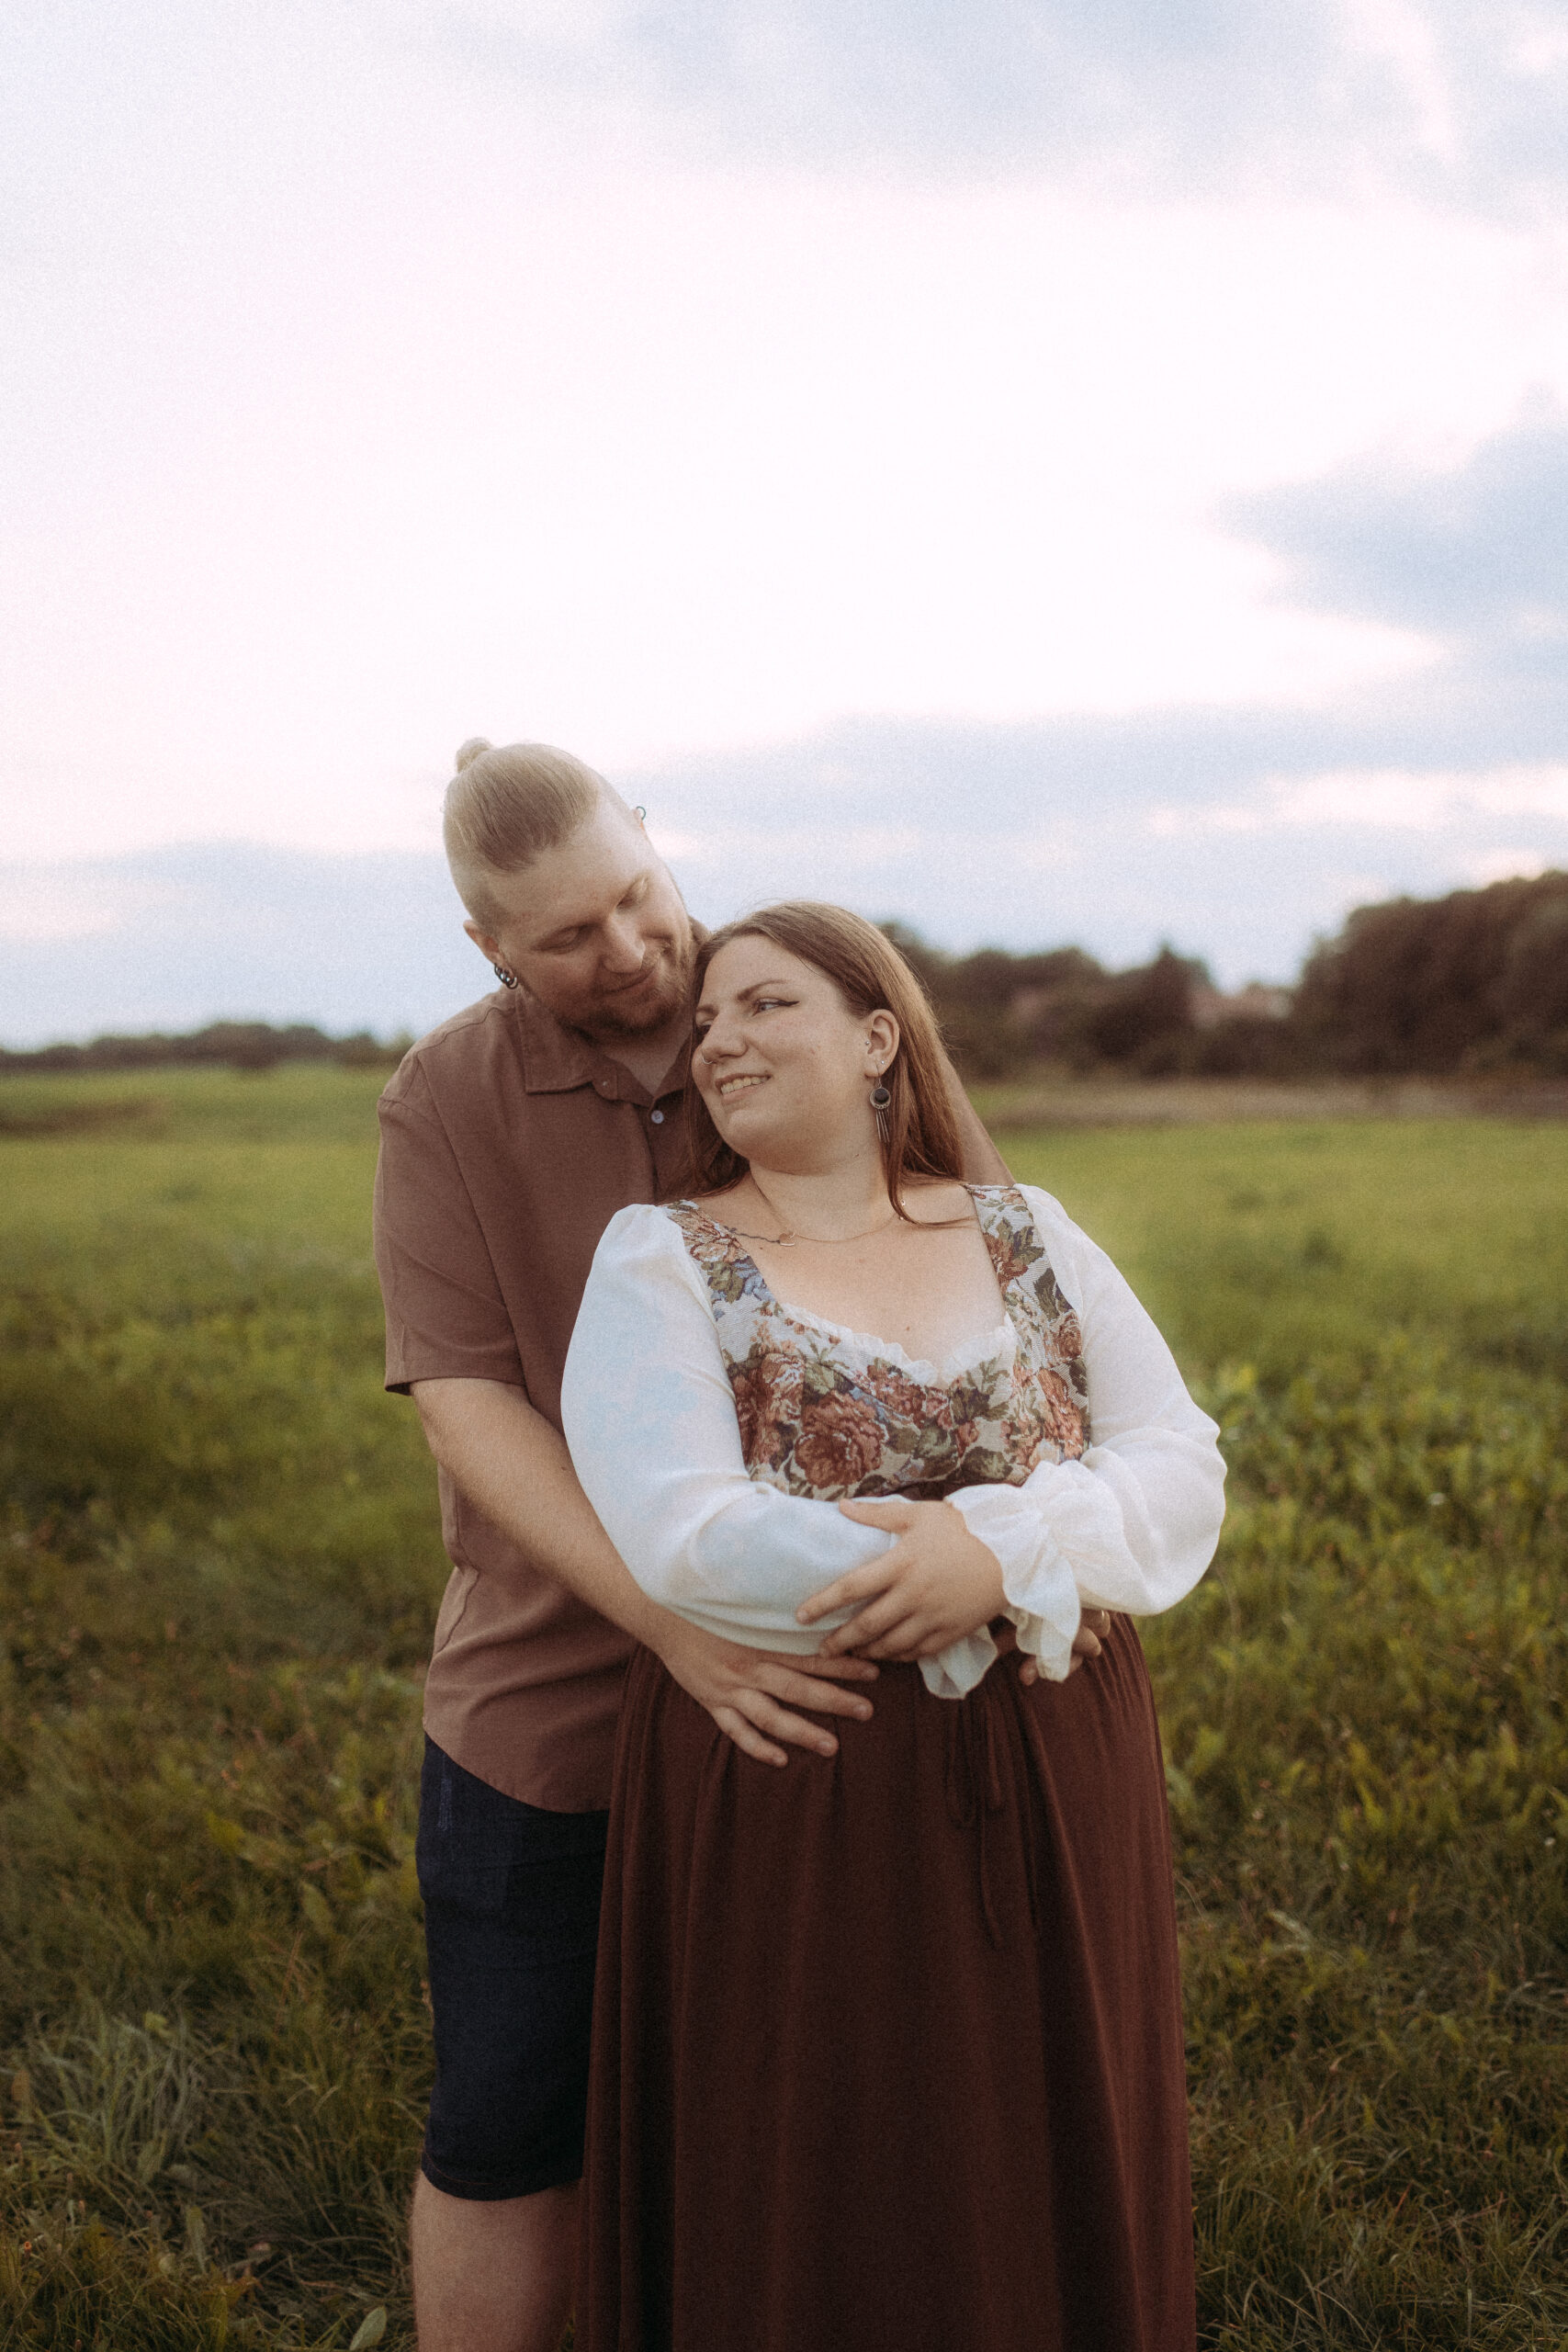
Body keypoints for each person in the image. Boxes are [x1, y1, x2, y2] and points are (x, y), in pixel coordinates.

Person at [372, 743, 1030, 2352]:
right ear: (488, 953)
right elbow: (465, 1399)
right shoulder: (449, 1098)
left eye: (637, 898)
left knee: (803, 2117)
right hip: (560, 1702)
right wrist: (668, 1622)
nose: (632, 954)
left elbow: (997, 1314)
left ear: (660, 847)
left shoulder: (792, 1004)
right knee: (515, 2122)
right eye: (565, 939)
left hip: (838, 1698)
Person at [560, 901, 1227, 2352]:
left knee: (1053, 2127)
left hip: (1059, 1758)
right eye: (709, 1019)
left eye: (765, 1005)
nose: (719, 1039)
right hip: (812, 1773)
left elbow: (1178, 1463)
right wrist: (965, 1568)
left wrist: (998, 1558)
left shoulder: (1024, 1230)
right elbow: (681, 1526)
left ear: (876, 1039)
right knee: (841, 2160)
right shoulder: (663, 1259)